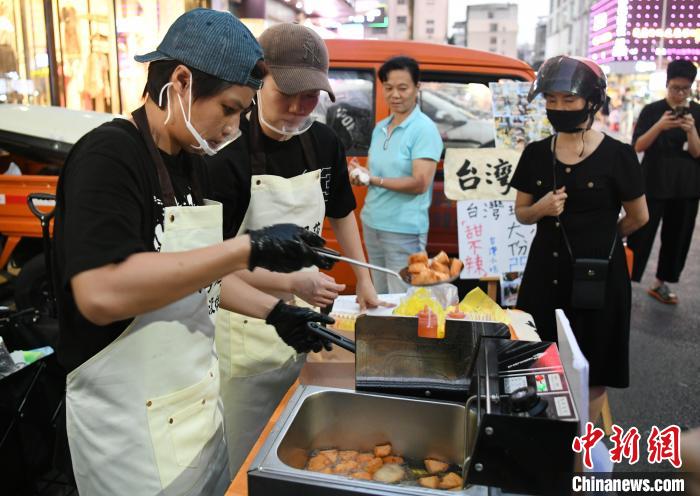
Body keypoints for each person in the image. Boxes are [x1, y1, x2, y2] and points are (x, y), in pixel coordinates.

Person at [52, 10, 335, 495]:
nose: (234, 127)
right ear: (180, 81)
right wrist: (247, 248)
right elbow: (101, 291)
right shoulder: (109, 157)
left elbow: (192, 275)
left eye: (242, 113)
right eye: (228, 109)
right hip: (130, 432)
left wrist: (277, 313)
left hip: (197, 410)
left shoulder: (189, 164)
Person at [204, 23, 385, 477]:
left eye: (311, 96)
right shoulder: (226, 152)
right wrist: (288, 281)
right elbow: (214, 265)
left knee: (298, 446)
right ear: (258, 80)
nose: (299, 107)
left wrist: (363, 279)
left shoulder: (323, 142)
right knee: (249, 454)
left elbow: (342, 210)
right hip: (244, 330)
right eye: (289, 93)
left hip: (306, 325)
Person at [509, 56, 649, 423]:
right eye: (551, 100)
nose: (557, 108)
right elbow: (521, 213)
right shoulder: (536, 154)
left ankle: (578, 451)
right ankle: (545, 440)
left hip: (598, 278)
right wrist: (540, 208)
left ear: (592, 101)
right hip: (545, 275)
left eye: (567, 100)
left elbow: (639, 216)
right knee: (539, 360)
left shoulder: (619, 155)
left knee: (595, 370)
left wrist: (608, 236)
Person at [349, 56, 443, 294]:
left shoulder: (424, 129)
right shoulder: (381, 127)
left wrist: (373, 180)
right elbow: (377, 174)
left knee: (404, 300)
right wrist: (360, 174)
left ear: (417, 88)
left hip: (403, 230)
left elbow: (420, 183)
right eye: (388, 88)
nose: (395, 95)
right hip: (372, 222)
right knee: (379, 296)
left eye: (403, 88)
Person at [626, 59, 700, 304]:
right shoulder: (652, 110)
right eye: (675, 88)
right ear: (667, 84)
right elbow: (637, 146)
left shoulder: (697, 113)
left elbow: (697, 152)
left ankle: (662, 283)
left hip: (686, 186)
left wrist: (691, 131)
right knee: (640, 232)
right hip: (653, 182)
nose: (680, 94)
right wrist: (660, 126)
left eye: (685, 89)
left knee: (678, 236)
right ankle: (625, 278)